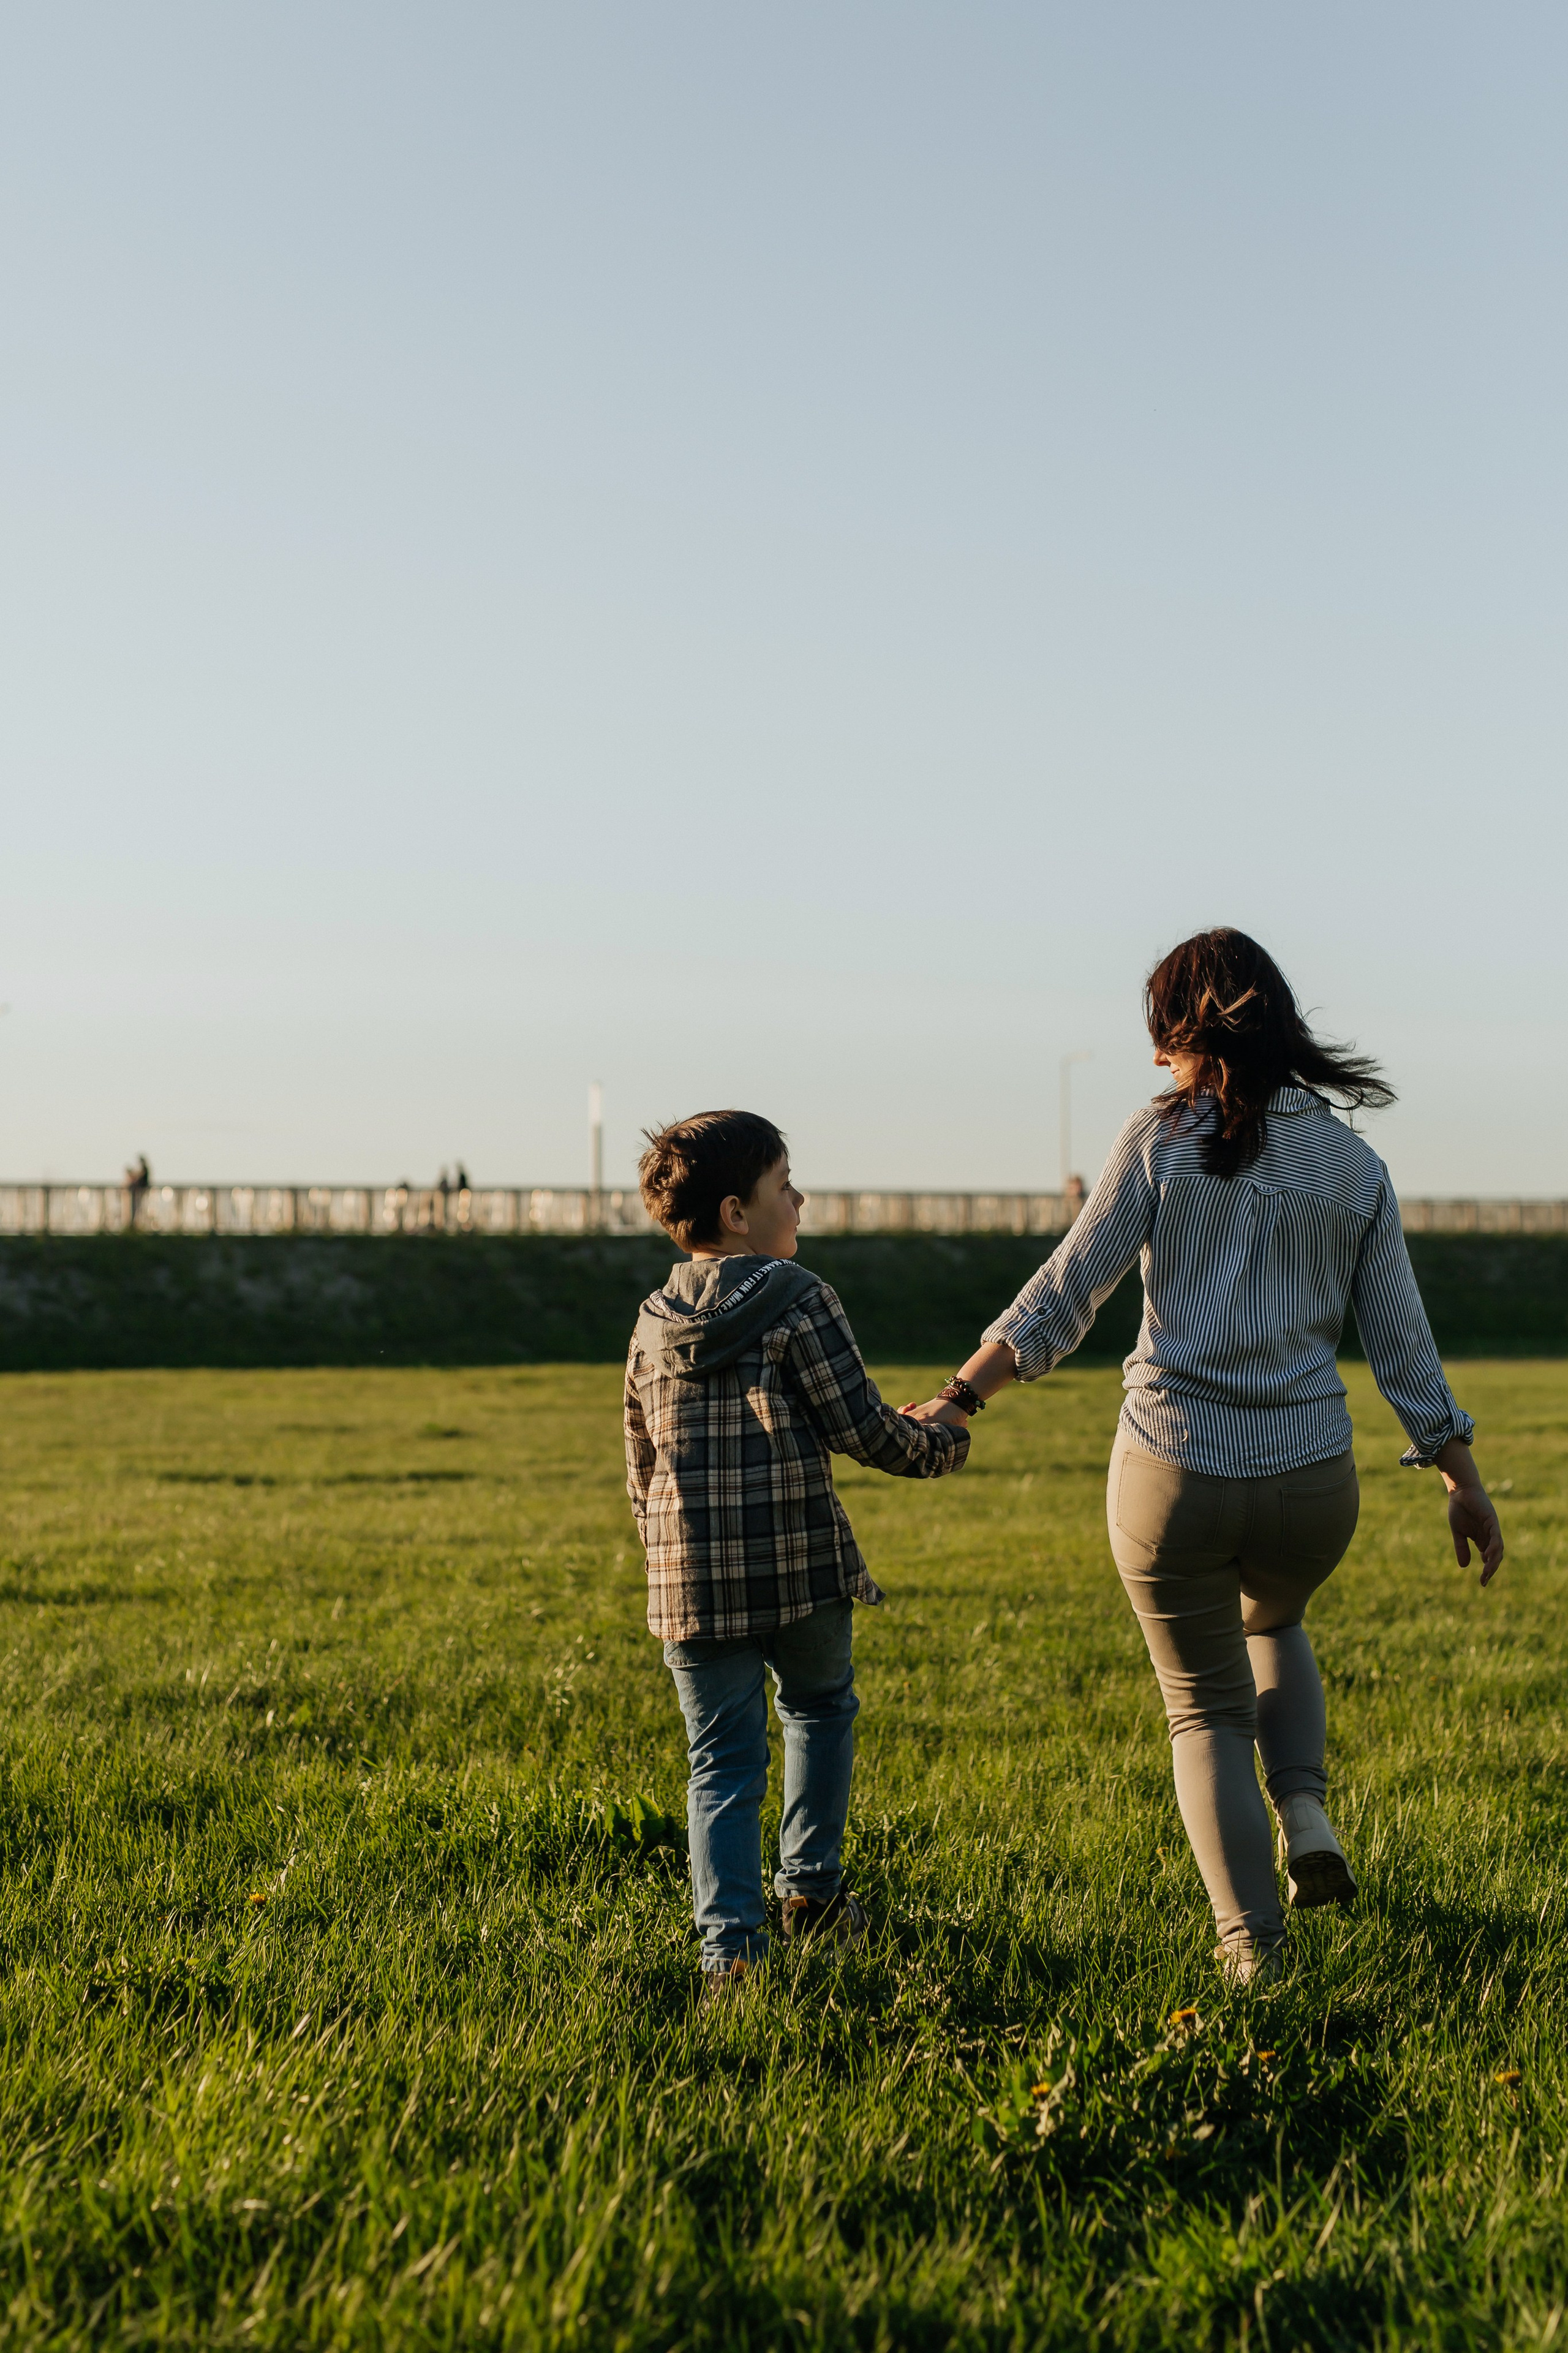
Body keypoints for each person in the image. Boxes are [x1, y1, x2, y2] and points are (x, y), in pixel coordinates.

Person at [906, 929, 1504, 1987]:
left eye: (1163, 1038)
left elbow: (1065, 1290)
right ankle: (1306, 1807)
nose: (1156, 1063)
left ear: (1191, 1033)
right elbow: (1404, 1346)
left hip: (1174, 1471)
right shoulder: (1356, 1166)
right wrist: (1461, 1474)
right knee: (1275, 1618)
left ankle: (1251, 1948)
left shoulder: (1161, 1136)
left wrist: (962, 1398)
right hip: (1312, 1483)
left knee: (1206, 1710)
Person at [625, 1109, 970, 2001]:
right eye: (788, 1186)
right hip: (798, 1563)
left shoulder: (652, 1321)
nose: (802, 1198)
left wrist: (667, 1551)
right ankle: (811, 1891)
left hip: (689, 1581)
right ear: (739, 1212)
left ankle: (729, 1954)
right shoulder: (798, 1295)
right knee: (818, 1709)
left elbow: (639, 1461)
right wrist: (942, 1437)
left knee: (721, 1761)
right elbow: (857, 1425)